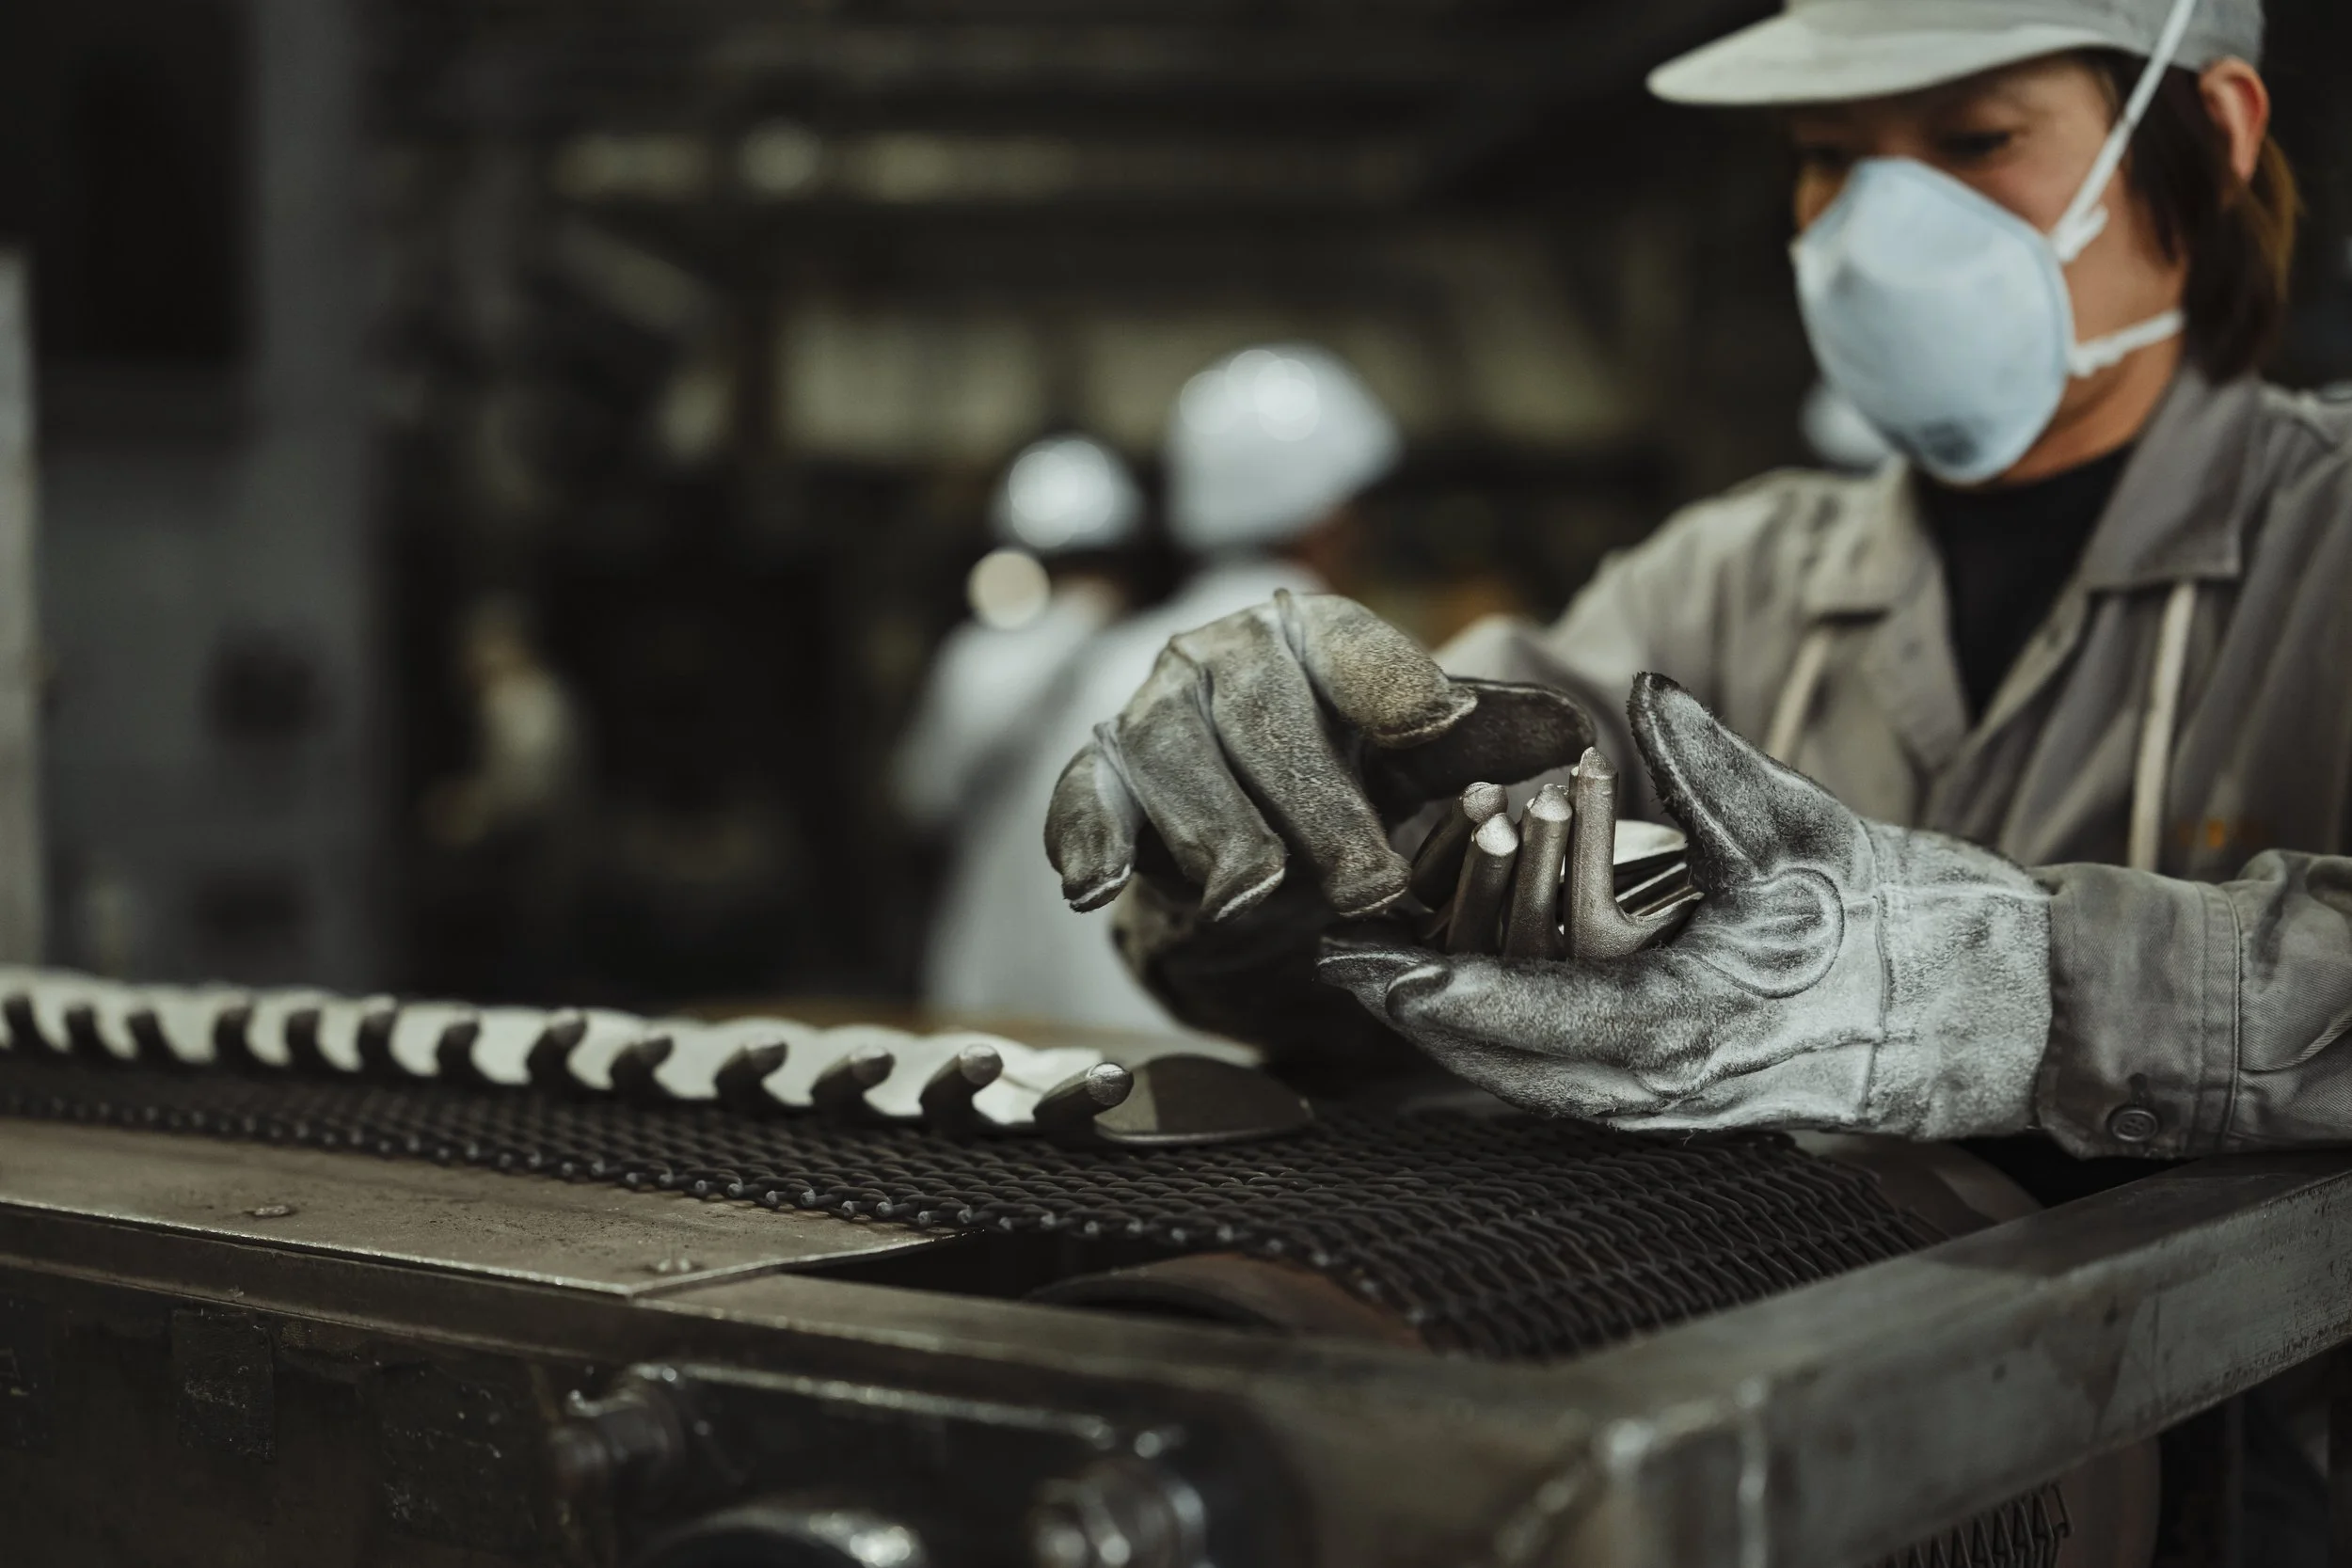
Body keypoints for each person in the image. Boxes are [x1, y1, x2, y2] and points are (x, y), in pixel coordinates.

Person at [1042, 0, 2352, 1164]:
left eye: (1974, 141)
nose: (1876, 230)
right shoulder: (1730, 576)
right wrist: (1291, 823)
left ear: (2214, 134)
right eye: (1830, 155)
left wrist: (2012, 988)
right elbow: (1431, 853)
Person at [909, 348, 1401, 1033]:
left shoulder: (1118, 661)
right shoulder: (1336, 661)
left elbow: (924, 804)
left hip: (1035, 1049)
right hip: (1222, 1091)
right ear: (1335, 520)